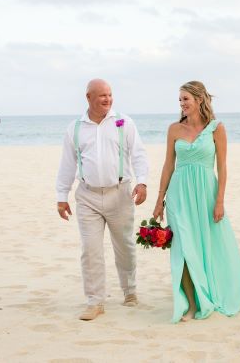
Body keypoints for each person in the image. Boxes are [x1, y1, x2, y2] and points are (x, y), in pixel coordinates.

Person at [56, 79, 149, 321]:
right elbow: (67, 164)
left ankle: (130, 291)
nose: (108, 99)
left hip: (120, 193)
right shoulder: (75, 128)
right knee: (91, 250)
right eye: (102, 96)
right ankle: (95, 302)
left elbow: (138, 154)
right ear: (88, 97)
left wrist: (142, 181)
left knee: (125, 247)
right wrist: (61, 196)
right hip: (87, 196)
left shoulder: (124, 123)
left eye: (110, 94)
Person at [152, 81, 240, 322]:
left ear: (199, 100)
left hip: (206, 194)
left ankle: (211, 292)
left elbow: (222, 168)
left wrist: (220, 201)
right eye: (180, 100)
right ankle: (192, 304)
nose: (182, 104)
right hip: (178, 195)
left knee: (205, 245)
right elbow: (168, 165)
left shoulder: (216, 128)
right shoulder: (174, 129)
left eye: (186, 99)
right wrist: (159, 199)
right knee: (182, 247)